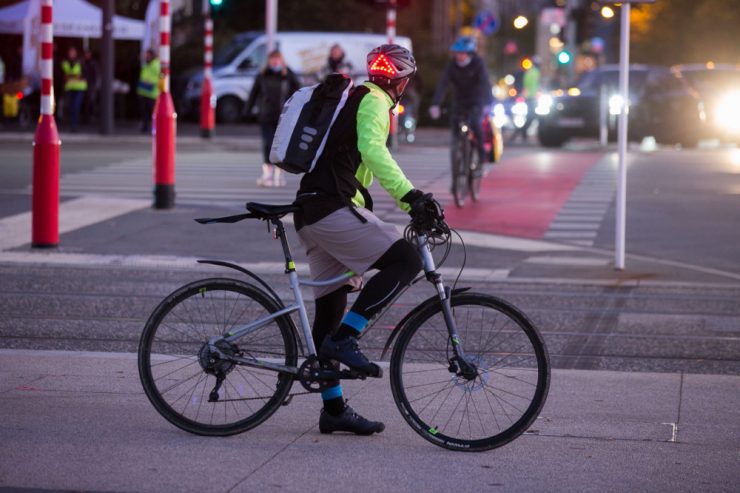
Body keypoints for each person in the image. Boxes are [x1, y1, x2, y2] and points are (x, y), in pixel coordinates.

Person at [293, 44, 439, 435]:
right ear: (403, 83)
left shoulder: (357, 96)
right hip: (330, 210)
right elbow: (373, 151)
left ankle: (333, 409)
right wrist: (412, 198)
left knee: (328, 316)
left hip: (311, 212)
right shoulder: (374, 101)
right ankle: (347, 340)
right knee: (405, 260)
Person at [429, 36, 493, 165]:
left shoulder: (478, 63)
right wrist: (435, 104)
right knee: (455, 124)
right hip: (460, 100)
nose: (459, 56)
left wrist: (488, 103)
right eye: (457, 53)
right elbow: (443, 84)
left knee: (476, 125)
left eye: (462, 53)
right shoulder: (452, 65)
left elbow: (485, 83)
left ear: (469, 54)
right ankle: (457, 150)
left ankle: (481, 155)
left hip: (476, 100)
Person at [245, 50, 301, 187]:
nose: (275, 62)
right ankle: (267, 174)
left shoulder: (288, 75)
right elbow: (254, 94)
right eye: (272, 59)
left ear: (281, 60)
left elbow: (300, 92)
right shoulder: (262, 75)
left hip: (284, 116)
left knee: (281, 146)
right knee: (267, 144)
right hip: (266, 115)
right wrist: (246, 111)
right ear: (269, 61)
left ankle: (279, 174)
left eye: (277, 59)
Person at [509, 56, 541, 143]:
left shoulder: (529, 72)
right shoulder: (535, 72)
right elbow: (537, 85)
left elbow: (525, 85)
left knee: (530, 117)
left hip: (529, 97)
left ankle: (521, 133)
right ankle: (521, 132)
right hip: (532, 98)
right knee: (532, 117)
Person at [61, 46, 87, 132]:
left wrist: (78, 77)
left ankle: (74, 124)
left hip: (79, 87)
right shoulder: (64, 62)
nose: (71, 53)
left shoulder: (80, 61)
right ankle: (70, 123)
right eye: (70, 51)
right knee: (70, 106)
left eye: (73, 51)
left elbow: (85, 74)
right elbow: (62, 75)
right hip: (69, 87)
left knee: (76, 106)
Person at [136, 49, 160, 133]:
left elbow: (161, 77)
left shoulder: (156, 64)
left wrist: (152, 82)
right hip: (143, 91)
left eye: (147, 55)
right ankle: (145, 127)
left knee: (152, 112)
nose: (146, 56)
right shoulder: (146, 64)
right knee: (144, 111)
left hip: (152, 92)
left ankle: (155, 127)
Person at [82, 49, 99, 124]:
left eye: (88, 53)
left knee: (91, 101)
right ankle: (86, 117)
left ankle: (90, 116)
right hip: (83, 84)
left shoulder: (93, 63)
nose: (87, 55)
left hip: (91, 84)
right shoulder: (82, 62)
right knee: (85, 101)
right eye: (86, 54)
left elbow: (96, 75)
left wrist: (95, 85)